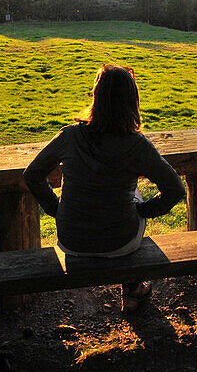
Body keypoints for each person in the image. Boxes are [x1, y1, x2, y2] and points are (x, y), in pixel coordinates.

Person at [23, 64, 186, 312]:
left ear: (96, 96)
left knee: (125, 200)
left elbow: (32, 174)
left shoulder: (69, 136)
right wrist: (143, 211)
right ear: (132, 100)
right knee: (134, 195)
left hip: (71, 237)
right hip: (120, 239)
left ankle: (133, 286)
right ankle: (133, 290)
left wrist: (56, 209)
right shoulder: (137, 145)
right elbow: (175, 190)